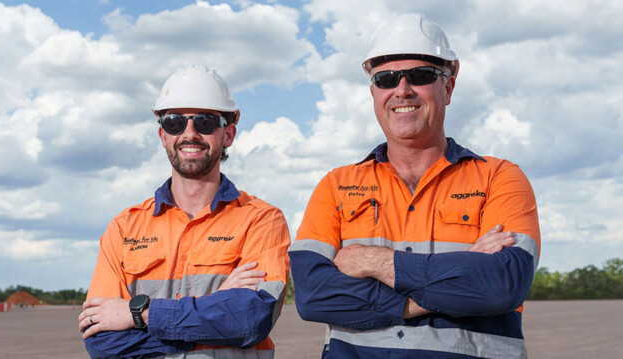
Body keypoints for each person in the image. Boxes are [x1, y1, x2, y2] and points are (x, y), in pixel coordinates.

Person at [289, 13, 540, 358]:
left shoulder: (500, 177)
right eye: (386, 78)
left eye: (420, 76)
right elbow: (313, 295)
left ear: (448, 87)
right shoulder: (336, 185)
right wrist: (452, 276)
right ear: (374, 92)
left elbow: (500, 285)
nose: (402, 90)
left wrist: (372, 262)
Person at [78, 65, 290, 359]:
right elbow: (102, 341)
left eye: (205, 122)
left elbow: (250, 320)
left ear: (228, 134)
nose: (189, 134)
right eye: (175, 122)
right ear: (162, 135)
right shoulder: (124, 228)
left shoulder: (260, 219)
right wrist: (216, 309)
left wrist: (137, 315)